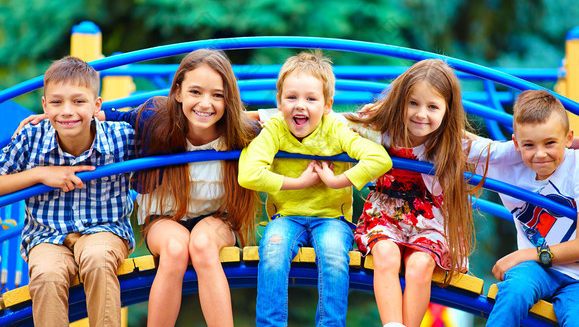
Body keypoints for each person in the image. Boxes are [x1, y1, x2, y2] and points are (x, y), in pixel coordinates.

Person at [102, 49, 259, 327]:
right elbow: (109, 116)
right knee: (175, 249)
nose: (205, 103)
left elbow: (295, 121)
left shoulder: (240, 132)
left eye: (217, 95)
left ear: (228, 100)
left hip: (217, 219)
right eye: (195, 92)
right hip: (165, 219)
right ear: (178, 92)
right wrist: (54, 117)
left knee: (202, 245)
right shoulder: (156, 119)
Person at [238, 51, 393, 327]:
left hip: (331, 218)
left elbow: (379, 159)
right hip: (286, 217)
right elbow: (247, 173)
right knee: (273, 252)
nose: (300, 106)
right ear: (279, 101)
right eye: (292, 97)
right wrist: (299, 183)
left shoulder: (335, 129)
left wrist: (335, 181)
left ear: (327, 105)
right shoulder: (274, 129)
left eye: (311, 99)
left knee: (333, 255)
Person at [0, 56, 136, 327]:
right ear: (44, 105)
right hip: (46, 235)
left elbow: (170, 129)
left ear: (97, 105)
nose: (67, 111)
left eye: (78, 101)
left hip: (104, 229)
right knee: (47, 275)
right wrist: (40, 174)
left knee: (98, 259)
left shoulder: (122, 136)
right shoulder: (31, 137)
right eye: (57, 102)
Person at [346, 59, 475, 327]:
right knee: (386, 254)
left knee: (420, 265)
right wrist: (260, 117)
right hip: (387, 218)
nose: (421, 114)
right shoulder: (381, 130)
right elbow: (326, 121)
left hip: (430, 224)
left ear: (447, 110)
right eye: (413, 103)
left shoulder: (452, 142)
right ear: (401, 101)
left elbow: (499, 152)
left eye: (432, 107)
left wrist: (562, 147)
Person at [468, 90, 579, 326]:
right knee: (513, 292)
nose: (540, 154)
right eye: (529, 145)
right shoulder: (507, 167)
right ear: (515, 144)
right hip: (536, 270)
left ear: (568, 138)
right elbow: (451, 140)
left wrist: (522, 255)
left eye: (550, 143)